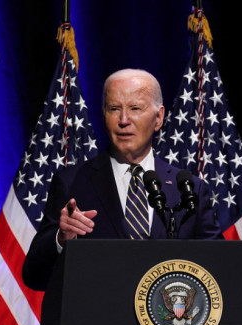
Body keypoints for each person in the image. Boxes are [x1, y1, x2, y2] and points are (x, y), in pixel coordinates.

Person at [22, 68, 222, 291]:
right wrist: (62, 238)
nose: (123, 120)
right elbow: (34, 276)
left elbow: (219, 269)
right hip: (101, 321)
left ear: (158, 117)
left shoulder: (189, 188)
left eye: (135, 108)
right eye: (114, 109)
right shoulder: (72, 183)